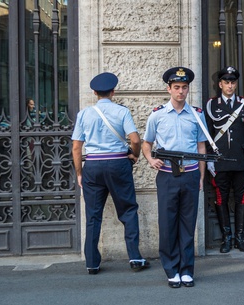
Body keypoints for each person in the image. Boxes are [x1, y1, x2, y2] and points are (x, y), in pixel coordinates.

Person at [71, 72, 149, 275]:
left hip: (93, 167)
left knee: (93, 215)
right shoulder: (122, 112)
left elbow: (77, 148)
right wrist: (135, 155)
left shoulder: (84, 114)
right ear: (113, 91)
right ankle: (134, 257)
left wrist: (80, 173)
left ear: (95, 92)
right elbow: (135, 139)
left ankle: (92, 263)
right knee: (128, 211)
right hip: (118, 164)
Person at [142, 67, 207, 288]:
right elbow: (146, 143)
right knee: (168, 224)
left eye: (184, 87)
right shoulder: (157, 114)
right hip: (167, 176)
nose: (181, 91)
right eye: (177, 87)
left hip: (189, 175)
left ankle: (187, 270)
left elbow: (201, 146)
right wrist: (151, 160)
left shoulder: (197, 115)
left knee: (188, 225)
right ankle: (172, 269)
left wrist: (201, 176)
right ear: (168, 88)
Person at [203, 66, 244, 253]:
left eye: (233, 82)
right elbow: (208, 134)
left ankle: (240, 238)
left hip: (240, 160)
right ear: (220, 84)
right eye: (226, 82)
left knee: (242, 198)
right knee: (221, 198)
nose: (230, 85)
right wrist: (209, 158)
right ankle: (226, 237)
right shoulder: (211, 105)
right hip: (220, 160)